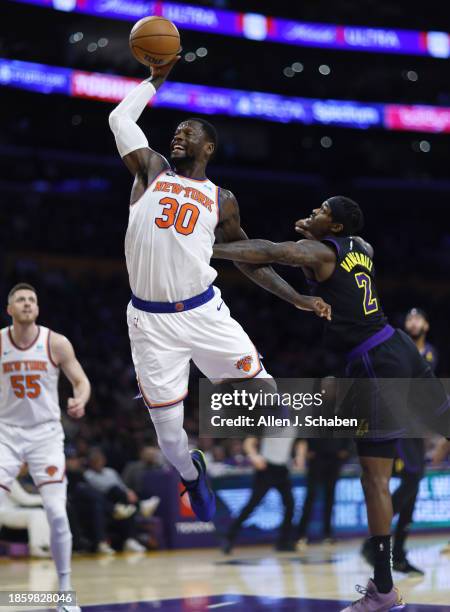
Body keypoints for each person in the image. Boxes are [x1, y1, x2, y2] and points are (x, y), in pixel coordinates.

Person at [108, 59, 330, 523]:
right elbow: (119, 119)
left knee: (272, 405)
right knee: (170, 441)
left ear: (208, 147)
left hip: (205, 313)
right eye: (176, 130)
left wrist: (297, 298)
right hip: (150, 323)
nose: (178, 135)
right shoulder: (151, 170)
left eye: (188, 131)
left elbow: (250, 262)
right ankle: (193, 475)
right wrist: (154, 81)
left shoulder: (221, 199)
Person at [212, 196, 449, 610]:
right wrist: (313, 235)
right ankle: (384, 587)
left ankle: (384, 591)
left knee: (374, 480)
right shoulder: (363, 248)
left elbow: (268, 253)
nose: (314, 211)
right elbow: (306, 257)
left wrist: (203, 247)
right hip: (401, 348)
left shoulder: (321, 252)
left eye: (322, 210)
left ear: (336, 228)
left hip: (374, 364)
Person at [0, 283, 91, 612]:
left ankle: (65, 590)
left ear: (37, 308)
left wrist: (80, 398)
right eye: (20, 300)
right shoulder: (0, 342)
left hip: (45, 435)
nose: (27, 304)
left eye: (31, 300)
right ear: (10, 309)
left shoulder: (55, 342)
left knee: (55, 511)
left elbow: (80, 380)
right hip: (6, 433)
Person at [361, 307, 437, 575]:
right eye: (409, 317)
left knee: (413, 490)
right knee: (412, 479)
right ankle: (376, 542)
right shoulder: (399, 348)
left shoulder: (429, 352)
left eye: (418, 317)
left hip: (417, 429)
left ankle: (400, 553)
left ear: (426, 324)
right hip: (399, 424)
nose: (412, 321)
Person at [221, 436, 295, 554]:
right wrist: (255, 457)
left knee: (290, 504)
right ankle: (229, 538)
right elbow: (249, 442)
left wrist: (300, 457)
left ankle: (283, 542)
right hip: (266, 468)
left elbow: (300, 442)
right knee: (252, 504)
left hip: (283, 469)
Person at [295, 438, 351, 549]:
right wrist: (307, 450)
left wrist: (345, 449)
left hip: (334, 457)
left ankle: (328, 534)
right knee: (310, 496)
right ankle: (301, 534)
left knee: (330, 497)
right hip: (316, 457)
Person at [0, 465, 50, 558]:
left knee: (39, 513)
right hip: (4, 513)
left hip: (7, 511)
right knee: (38, 514)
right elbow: (24, 499)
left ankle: (42, 547)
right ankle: (38, 548)